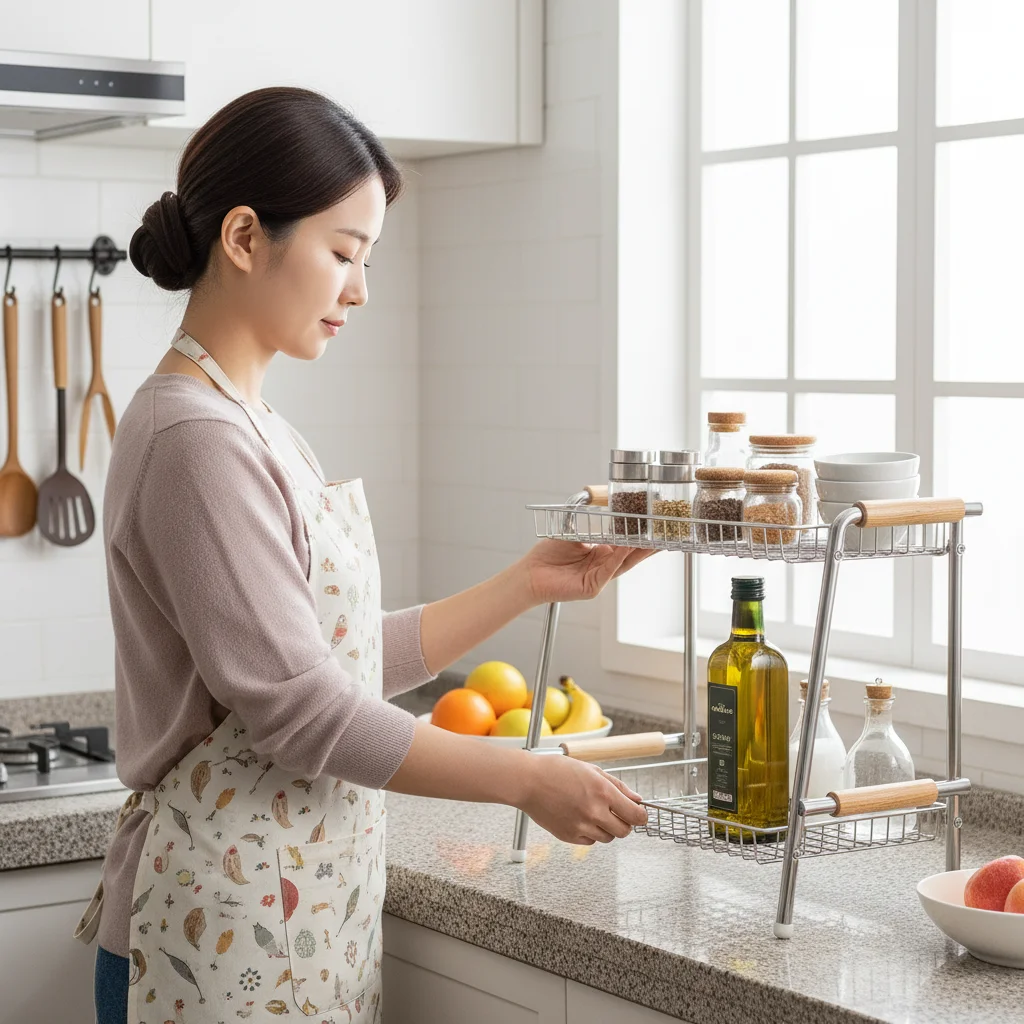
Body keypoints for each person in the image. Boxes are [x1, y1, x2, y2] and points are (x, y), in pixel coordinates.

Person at [81, 86, 654, 1024]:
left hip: (286, 916)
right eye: (343, 253)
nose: (360, 288)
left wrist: (526, 584)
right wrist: (525, 773)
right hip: (209, 937)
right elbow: (304, 713)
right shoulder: (195, 439)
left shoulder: (250, 422)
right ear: (242, 237)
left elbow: (321, 662)